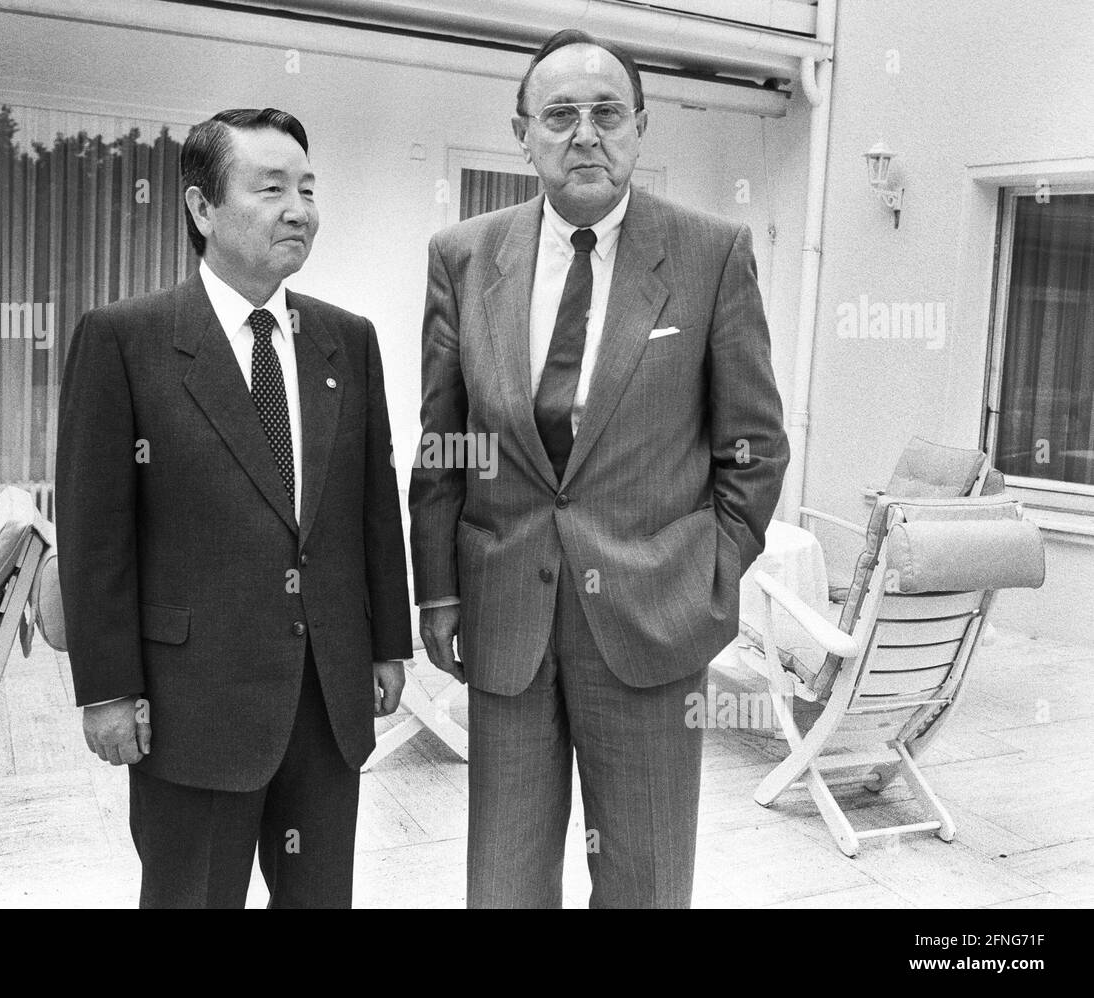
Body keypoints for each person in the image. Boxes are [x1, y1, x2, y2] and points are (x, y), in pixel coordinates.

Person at [410, 28, 789, 908]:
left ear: (641, 127)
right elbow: (445, 442)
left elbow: (754, 446)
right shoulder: (464, 256)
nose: (586, 133)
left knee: (644, 880)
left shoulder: (710, 254)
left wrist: (708, 573)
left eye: (608, 113)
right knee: (504, 883)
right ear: (523, 132)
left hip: (651, 619)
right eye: (561, 115)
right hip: (507, 619)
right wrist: (438, 589)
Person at [55, 108, 412, 909]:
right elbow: (93, 535)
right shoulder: (126, 341)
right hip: (194, 708)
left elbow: (371, 507)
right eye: (273, 188)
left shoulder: (344, 340)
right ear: (202, 208)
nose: (300, 209)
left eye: (309, 189)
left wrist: (389, 643)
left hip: (325, 702)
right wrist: (107, 689)